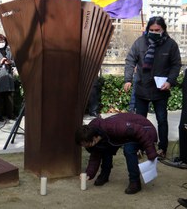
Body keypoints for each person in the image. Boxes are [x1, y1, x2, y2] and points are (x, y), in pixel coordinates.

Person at [124, 16, 181, 158]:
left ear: (163, 30)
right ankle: (139, 147)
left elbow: (176, 65)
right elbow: (130, 60)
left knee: (162, 120)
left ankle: (162, 148)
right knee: (140, 120)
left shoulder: (171, 45)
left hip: (161, 89)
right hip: (142, 87)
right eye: (152, 30)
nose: (154, 32)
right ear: (148, 29)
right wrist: (128, 79)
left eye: (157, 30)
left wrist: (170, 81)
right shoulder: (140, 42)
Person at [75, 112, 158, 194]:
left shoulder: (113, 127)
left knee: (129, 149)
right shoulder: (95, 134)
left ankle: (135, 182)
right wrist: (89, 174)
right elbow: (95, 156)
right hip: (128, 135)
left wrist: (151, 152)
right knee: (105, 148)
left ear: (94, 138)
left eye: (86, 144)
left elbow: (139, 130)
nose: (85, 147)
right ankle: (104, 175)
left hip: (145, 130)